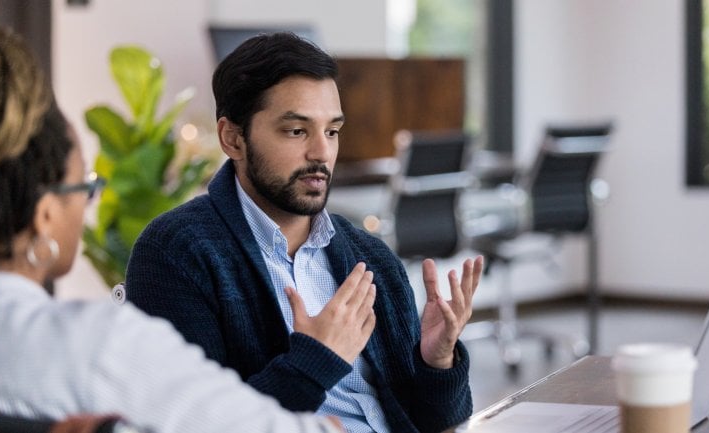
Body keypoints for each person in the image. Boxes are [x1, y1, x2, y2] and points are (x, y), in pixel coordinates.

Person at [0, 17, 341, 433]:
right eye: (86, 186)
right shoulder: (100, 347)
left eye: (332, 130)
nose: (321, 150)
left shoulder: (358, 252)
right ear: (44, 215)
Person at [125, 32, 485, 433]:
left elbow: (440, 422)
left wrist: (437, 361)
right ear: (233, 138)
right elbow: (192, 424)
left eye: (331, 131)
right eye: (297, 131)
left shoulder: (372, 257)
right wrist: (316, 360)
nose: (321, 153)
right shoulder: (176, 252)